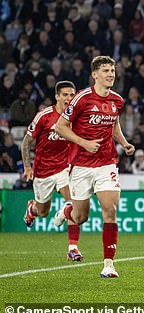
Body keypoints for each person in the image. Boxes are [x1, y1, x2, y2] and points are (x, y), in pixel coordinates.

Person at [54, 56, 135, 278]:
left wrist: (124, 142)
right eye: (106, 71)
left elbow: (113, 124)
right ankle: (66, 211)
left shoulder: (117, 100)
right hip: (80, 164)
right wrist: (84, 143)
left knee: (110, 210)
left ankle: (108, 265)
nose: (111, 74)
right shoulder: (81, 98)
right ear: (95, 75)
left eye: (113, 70)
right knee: (80, 217)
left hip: (106, 162)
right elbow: (60, 127)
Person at [21, 81, 84, 261]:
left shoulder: (76, 117)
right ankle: (31, 209)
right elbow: (26, 142)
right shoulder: (44, 116)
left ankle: (73, 248)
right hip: (42, 172)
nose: (69, 99)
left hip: (65, 168)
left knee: (73, 203)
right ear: (57, 96)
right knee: (43, 212)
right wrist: (27, 166)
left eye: (72, 95)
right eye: (65, 95)